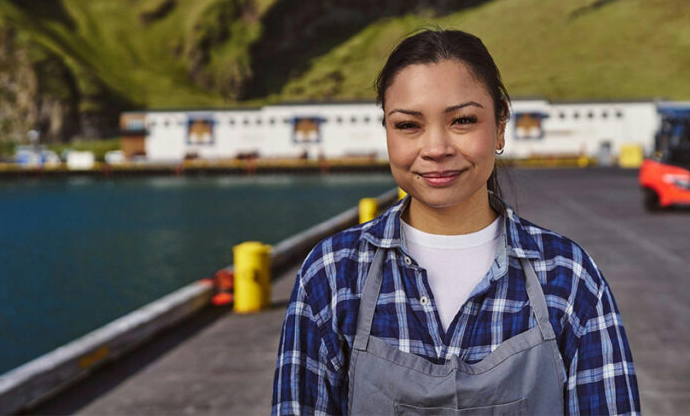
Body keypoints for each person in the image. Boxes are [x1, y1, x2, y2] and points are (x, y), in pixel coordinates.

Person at [273, 29, 639, 415]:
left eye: (462, 120)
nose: (436, 149)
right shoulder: (333, 276)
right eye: (408, 125)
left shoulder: (569, 277)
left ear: (499, 126)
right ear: (386, 132)